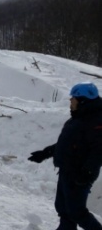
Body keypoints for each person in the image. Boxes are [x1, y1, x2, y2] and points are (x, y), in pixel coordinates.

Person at [28, 82, 102, 230]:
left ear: (83, 100)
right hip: (67, 170)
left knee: (76, 212)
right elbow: (66, 144)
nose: (70, 100)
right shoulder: (77, 118)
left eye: (73, 98)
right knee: (63, 208)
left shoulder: (95, 122)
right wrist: (45, 153)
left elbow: (98, 152)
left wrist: (86, 172)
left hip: (79, 174)